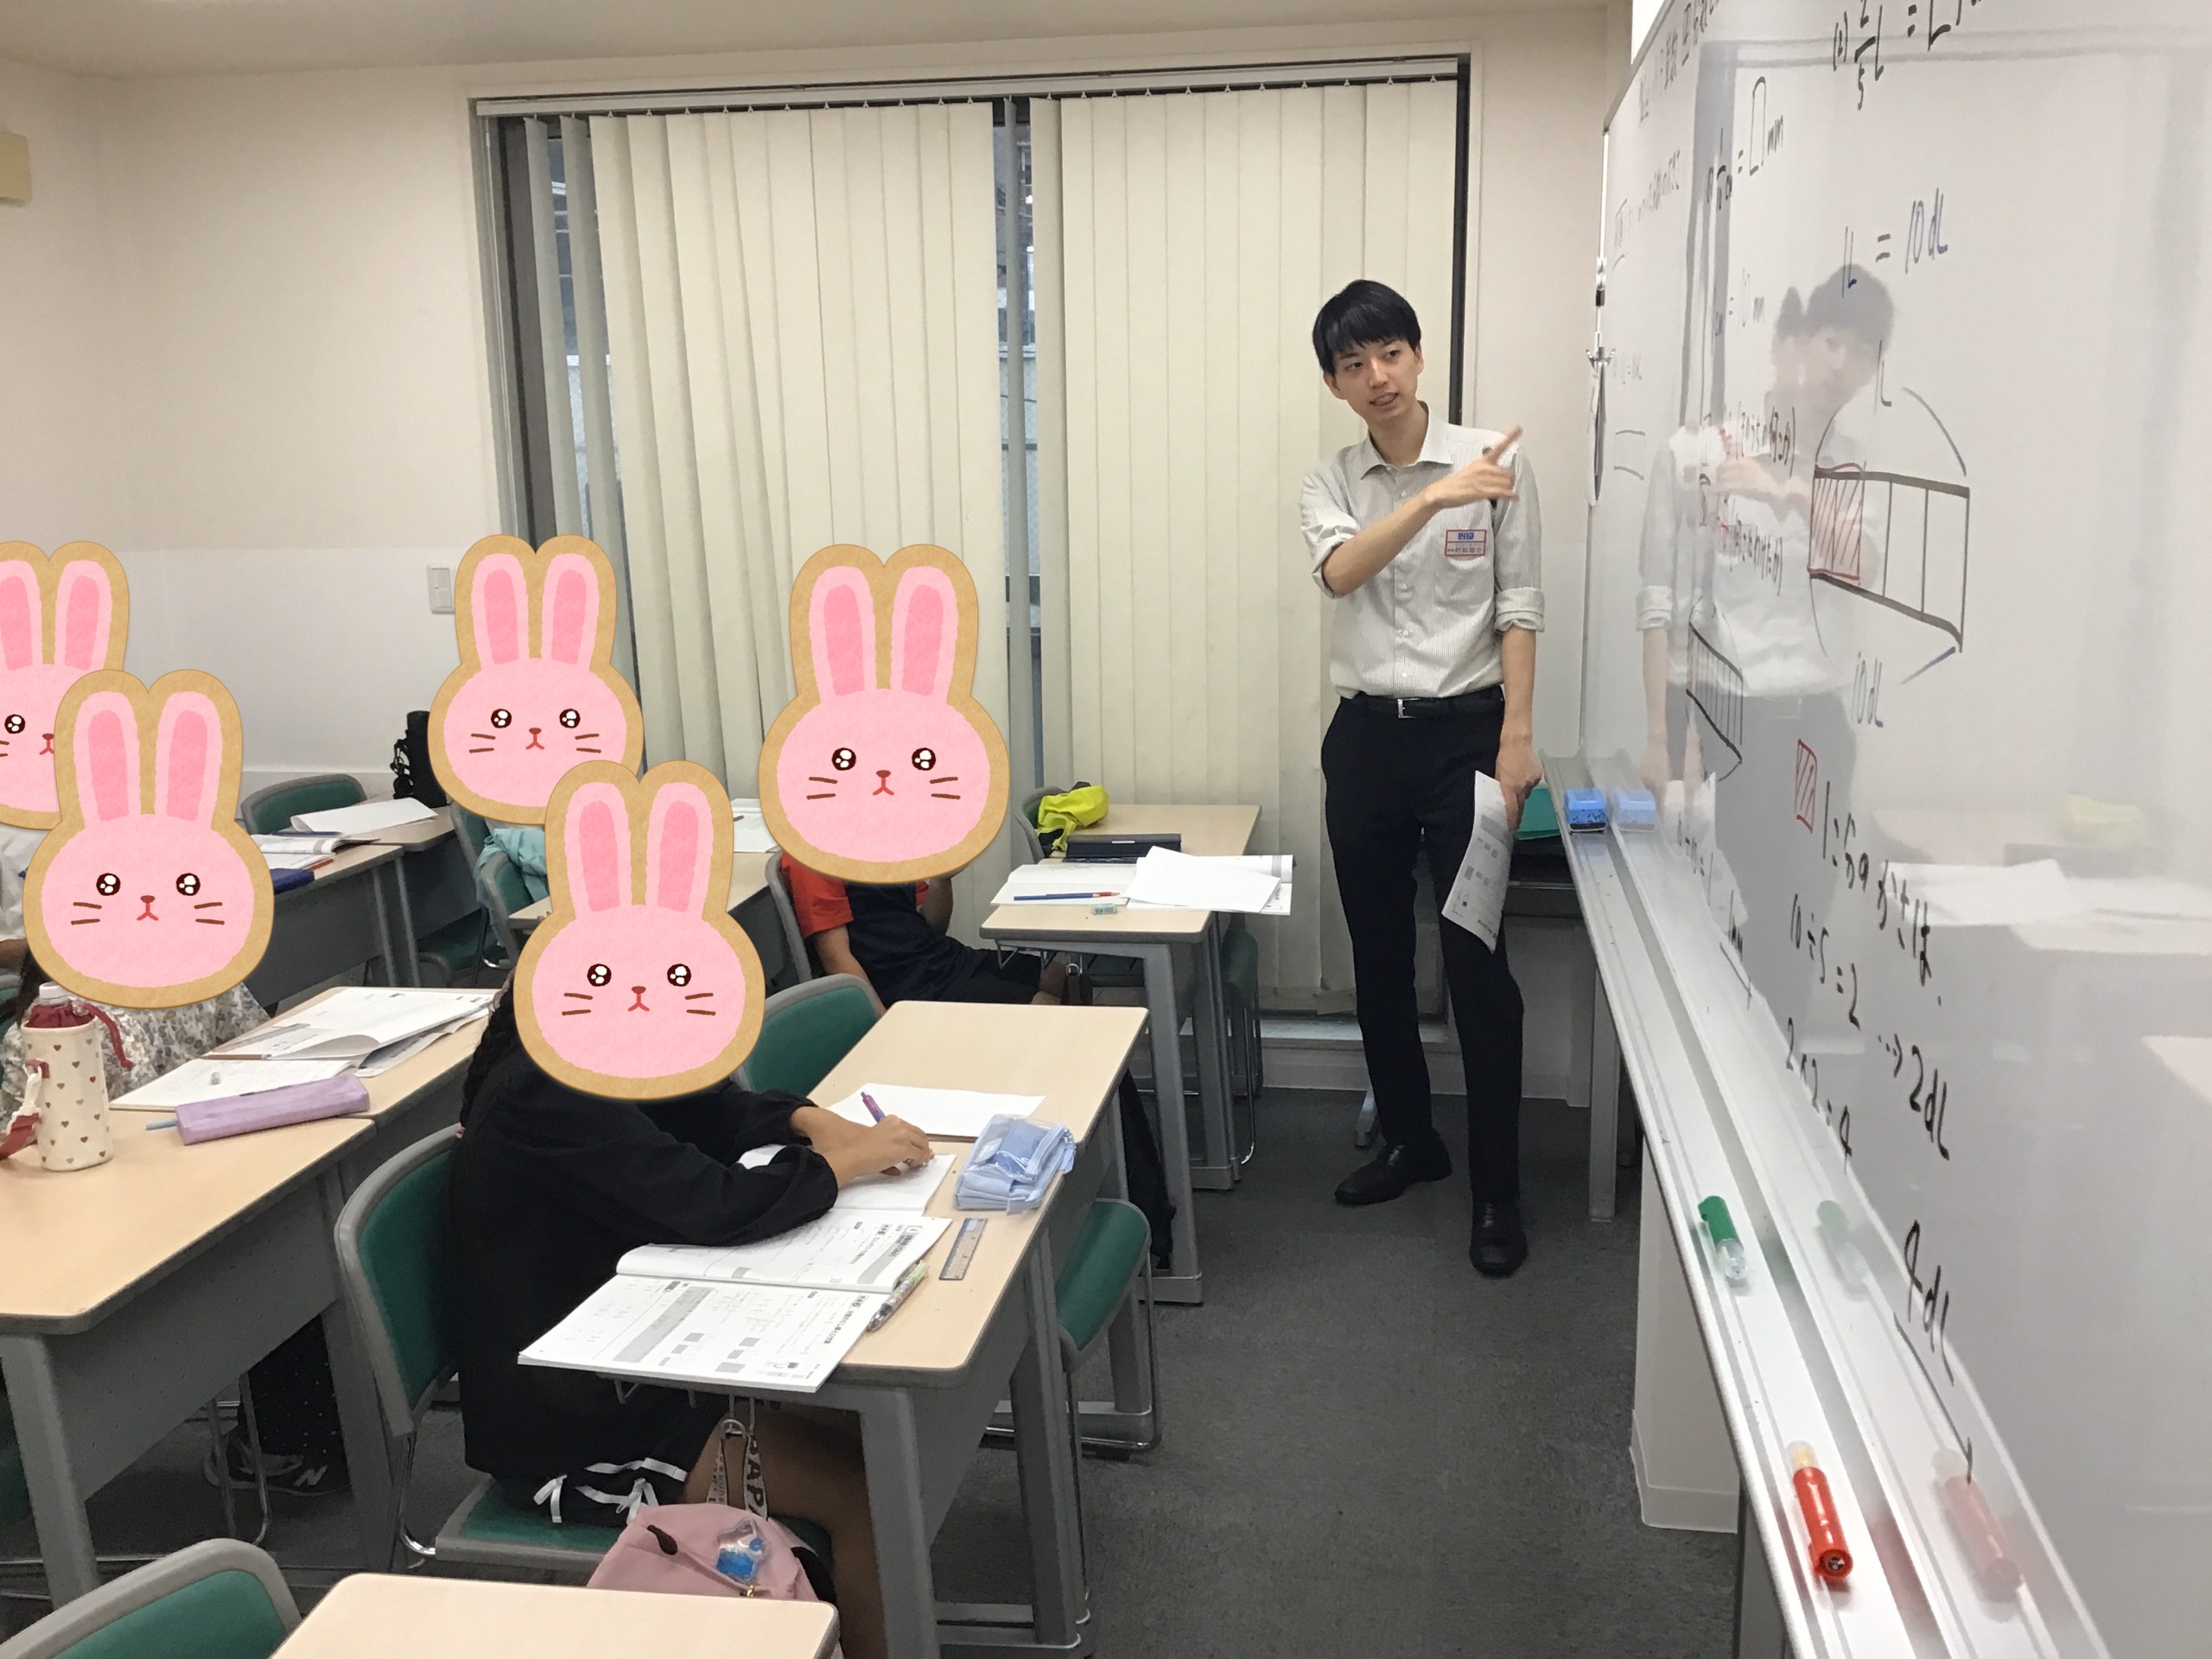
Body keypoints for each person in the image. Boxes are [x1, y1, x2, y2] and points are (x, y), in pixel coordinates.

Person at [451, 988, 931, 1659]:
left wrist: (805, 1121)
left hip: (645, 1353)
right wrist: (839, 1165)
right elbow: (711, 1204)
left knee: (875, 1431)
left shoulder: (589, 1049)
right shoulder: (542, 1093)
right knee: (862, 1489)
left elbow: (702, 1109)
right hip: (575, 1422)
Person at [1298, 279, 1543, 1277]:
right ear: (1333, 383)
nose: (1376, 377)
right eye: (1352, 365)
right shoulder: (1329, 482)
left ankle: (1497, 1191)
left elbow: (1519, 607)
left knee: (1476, 966)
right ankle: (1411, 1141)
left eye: (1389, 353)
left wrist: (1517, 738)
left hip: (1467, 739)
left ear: (1417, 355)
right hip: (1365, 741)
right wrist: (1433, 499)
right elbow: (1340, 573)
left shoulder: (1496, 463)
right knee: (1378, 957)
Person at [0, 954, 345, 1494]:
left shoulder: (185, 977)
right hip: (115, 1226)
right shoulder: (67, 1023)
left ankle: (287, 1435)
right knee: (284, 1244)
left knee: (283, 1235)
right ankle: (287, 1438)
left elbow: (262, 1045)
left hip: (167, 1202)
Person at [778, 856, 1067, 1010]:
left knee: (1064, 977)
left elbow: (933, 925)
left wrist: (942, 878)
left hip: (940, 960)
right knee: (1049, 1007)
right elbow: (837, 959)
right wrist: (882, 1023)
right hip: (904, 985)